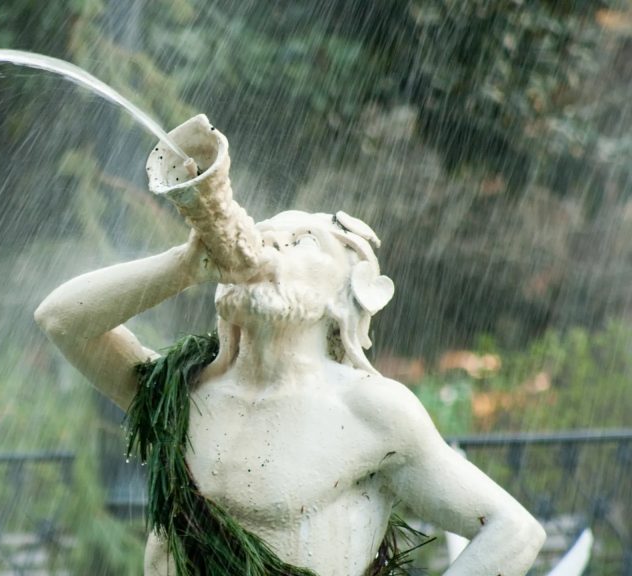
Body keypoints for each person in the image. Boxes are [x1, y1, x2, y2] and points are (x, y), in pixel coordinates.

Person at [35, 116, 545, 575]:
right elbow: (60, 319)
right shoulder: (181, 394)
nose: (270, 244)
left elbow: (512, 530)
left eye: (301, 241)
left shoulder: (368, 409)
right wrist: (184, 265)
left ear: (348, 292)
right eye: (263, 234)